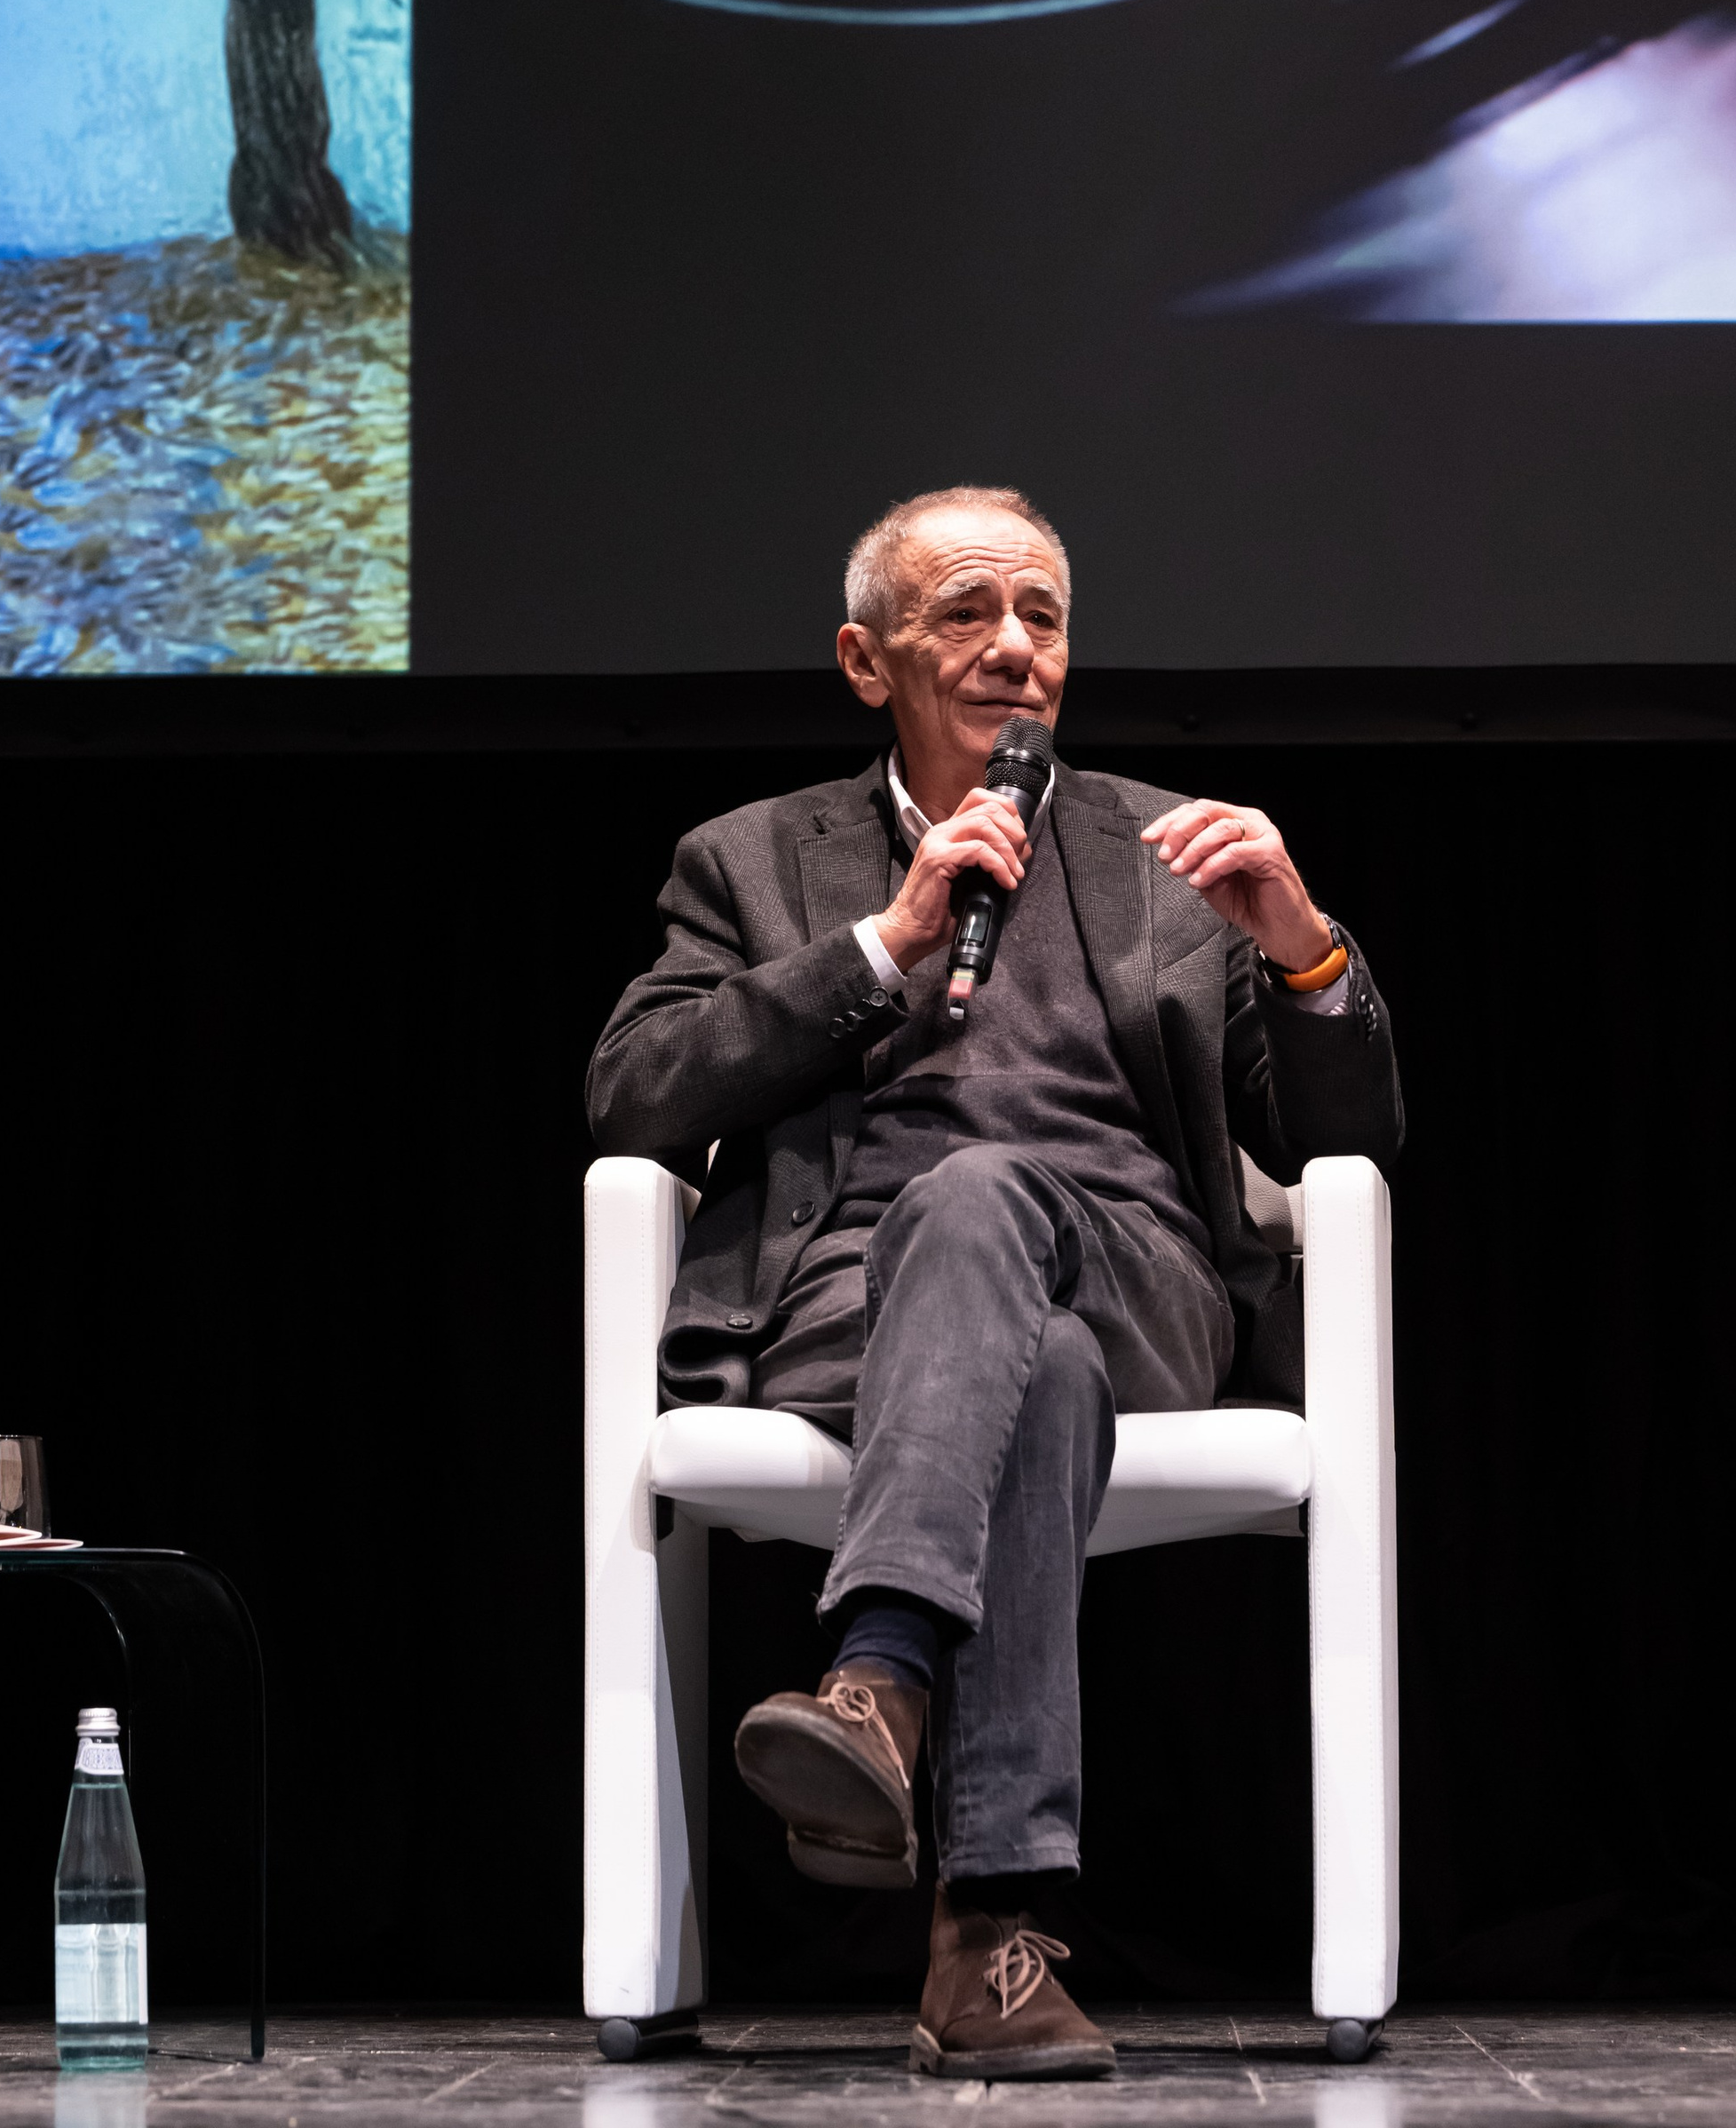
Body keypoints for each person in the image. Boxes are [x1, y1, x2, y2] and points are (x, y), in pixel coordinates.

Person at [587, 486, 1403, 2079]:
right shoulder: (752, 860)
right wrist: (881, 944)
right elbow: (634, 1095)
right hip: (849, 1307)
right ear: (866, 661)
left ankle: (877, 1678)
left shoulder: (1168, 854)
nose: (1015, 647)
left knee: (989, 1204)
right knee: (1038, 1369)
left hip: (1139, 1276)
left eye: (1042, 616)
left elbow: (1348, 1141)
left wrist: (1302, 948)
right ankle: (989, 1952)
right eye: (966, 613)